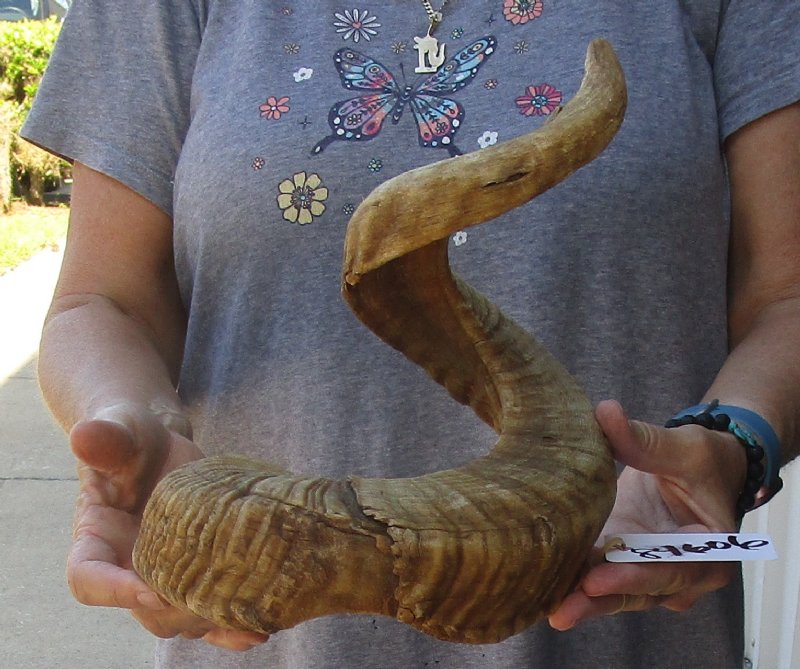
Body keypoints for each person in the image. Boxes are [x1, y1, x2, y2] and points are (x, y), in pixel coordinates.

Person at [22, 1, 800, 667]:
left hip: (624, 631)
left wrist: (735, 439)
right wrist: (126, 415)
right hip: (251, 620)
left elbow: (786, 298)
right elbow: (103, 300)